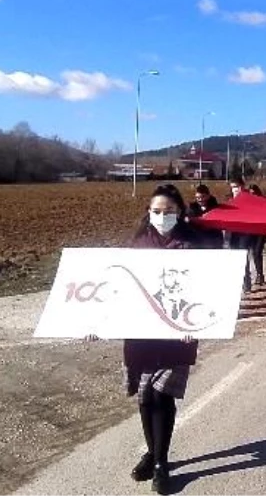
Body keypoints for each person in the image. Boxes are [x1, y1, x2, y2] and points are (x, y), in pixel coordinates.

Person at [87, 184, 204, 492]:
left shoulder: (194, 246)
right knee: (144, 396)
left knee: (161, 394)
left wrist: (200, 322)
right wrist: (96, 320)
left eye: (169, 212)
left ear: (180, 213)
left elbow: (208, 291)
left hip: (177, 334)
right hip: (140, 335)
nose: (162, 217)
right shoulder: (137, 246)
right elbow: (116, 290)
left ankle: (161, 464)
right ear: (148, 213)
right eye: (157, 211)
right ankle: (152, 452)